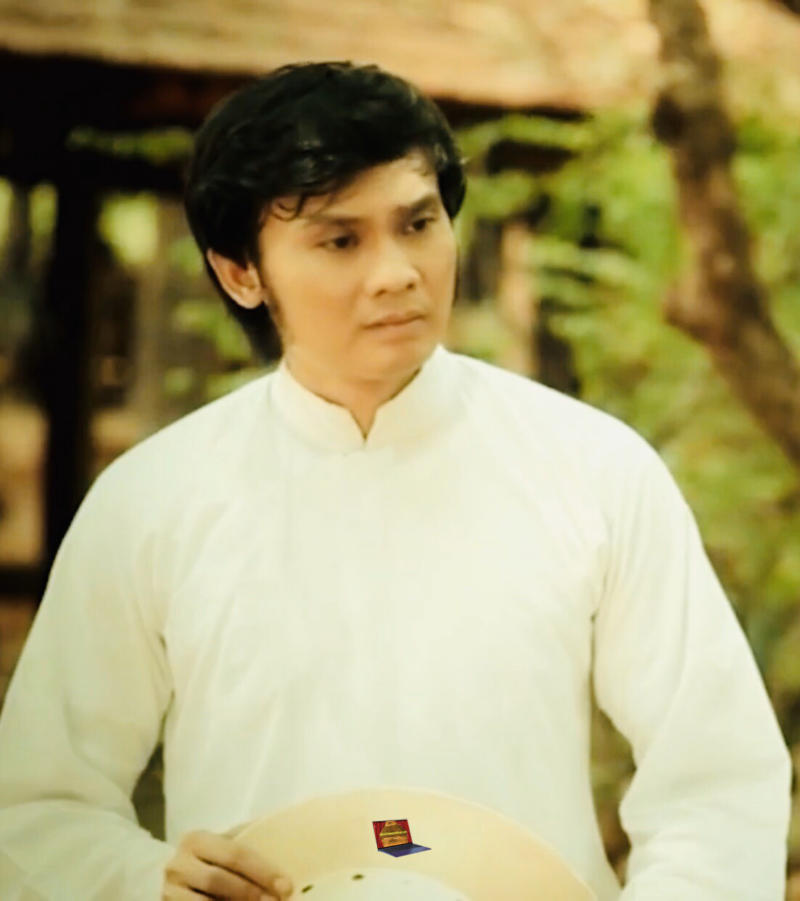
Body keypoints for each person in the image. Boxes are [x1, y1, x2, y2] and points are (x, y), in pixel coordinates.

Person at [0, 61, 791, 901]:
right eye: (341, 240)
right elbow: (36, 806)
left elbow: (717, 777)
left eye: (417, 224)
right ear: (240, 272)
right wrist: (143, 878)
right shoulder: (153, 500)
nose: (397, 272)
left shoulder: (595, 470)